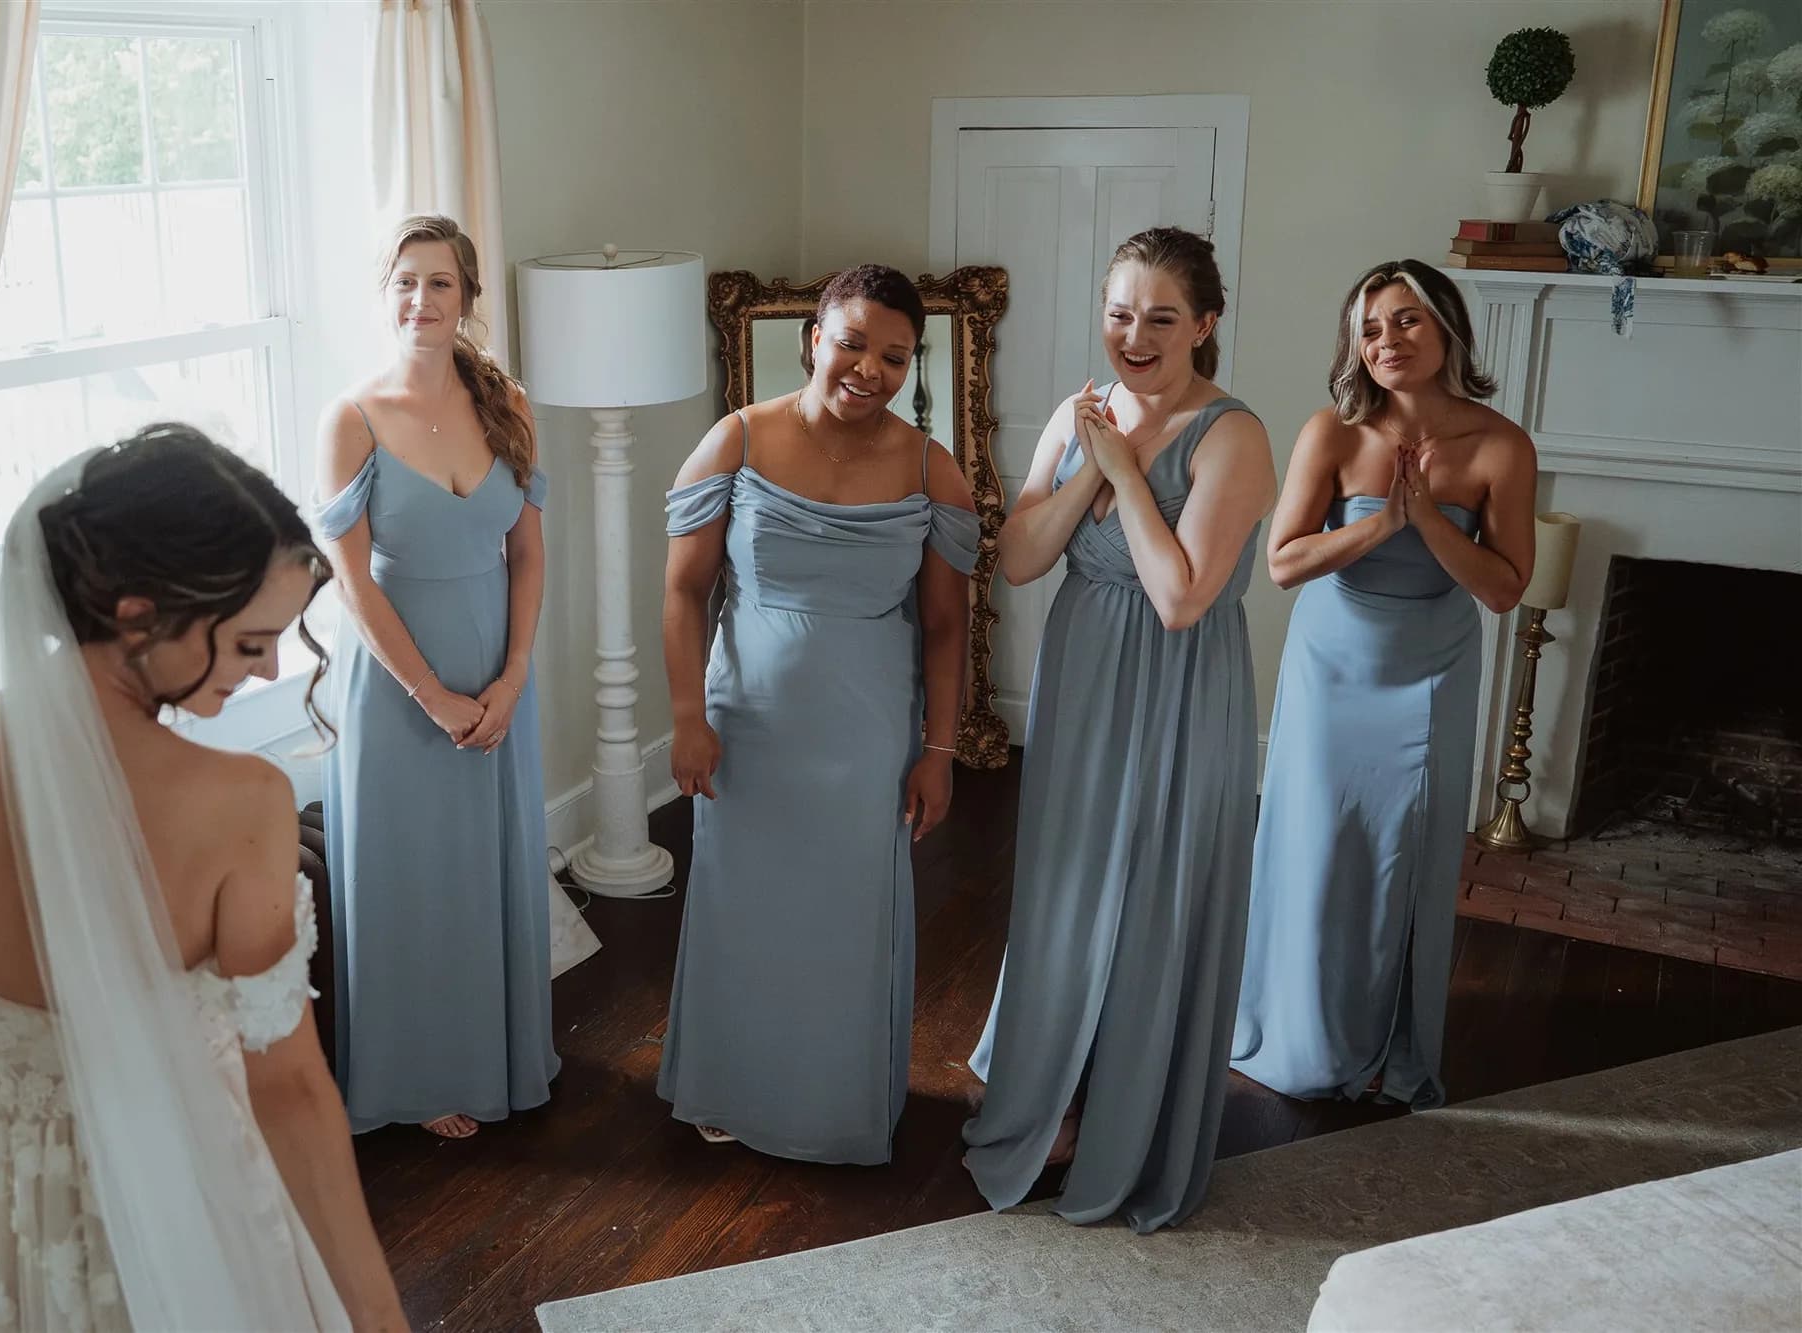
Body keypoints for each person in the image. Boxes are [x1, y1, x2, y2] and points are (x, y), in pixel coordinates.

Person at [0, 427, 405, 1330]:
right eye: (251, 640)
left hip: (9, 1176)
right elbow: (288, 1088)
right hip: (180, 1163)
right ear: (139, 616)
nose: (271, 667)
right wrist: (375, 1315)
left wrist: (34, 1047)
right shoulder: (239, 801)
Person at [963, 228, 1276, 1231]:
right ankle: (1050, 1088)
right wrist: (1090, 470)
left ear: (1205, 324)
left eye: (1159, 316)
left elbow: (1181, 597)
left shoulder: (1231, 434)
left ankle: (1130, 1114)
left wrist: (1127, 475)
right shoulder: (1077, 413)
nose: (1132, 335)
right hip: (1083, 670)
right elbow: (1015, 559)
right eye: (1117, 312)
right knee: (1067, 882)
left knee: (1153, 891)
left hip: (1178, 684)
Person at [656, 264, 978, 1164]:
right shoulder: (737, 441)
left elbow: (948, 625)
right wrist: (688, 715)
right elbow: (683, 592)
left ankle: (836, 1095)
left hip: (866, 729)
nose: (868, 368)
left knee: (846, 912)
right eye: (852, 342)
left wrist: (939, 749)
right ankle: (731, 1081)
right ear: (812, 339)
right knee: (742, 904)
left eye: (894, 355)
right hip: (749, 717)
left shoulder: (930, 468)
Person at [1232, 258, 1536, 1109]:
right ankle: (1300, 1025)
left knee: (1406, 857)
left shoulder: (1500, 445)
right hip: (1332, 670)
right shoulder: (1330, 433)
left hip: (1433, 673)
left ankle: (1388, 1042)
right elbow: (1284, 562)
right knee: (1321, 848)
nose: (1386, 341)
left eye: (1405, 321)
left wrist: (1428, 516)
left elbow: (1505, 587)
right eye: (1369, 328)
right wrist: (1381, 525)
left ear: (1447, 328)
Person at [316, 214, 559, 1140]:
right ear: (386, 295)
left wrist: (515, 673)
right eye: (406, 282)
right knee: (411, 879)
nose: (422, 300)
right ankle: (418, 1075)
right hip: (396, 680)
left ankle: (496, 1052)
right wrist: (432, 693)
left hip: (498, 665)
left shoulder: (510, 405)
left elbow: (528, 555)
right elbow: (348, 581)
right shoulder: (354, 418)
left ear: (467, 300)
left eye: (441, 284)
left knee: (486, 869)